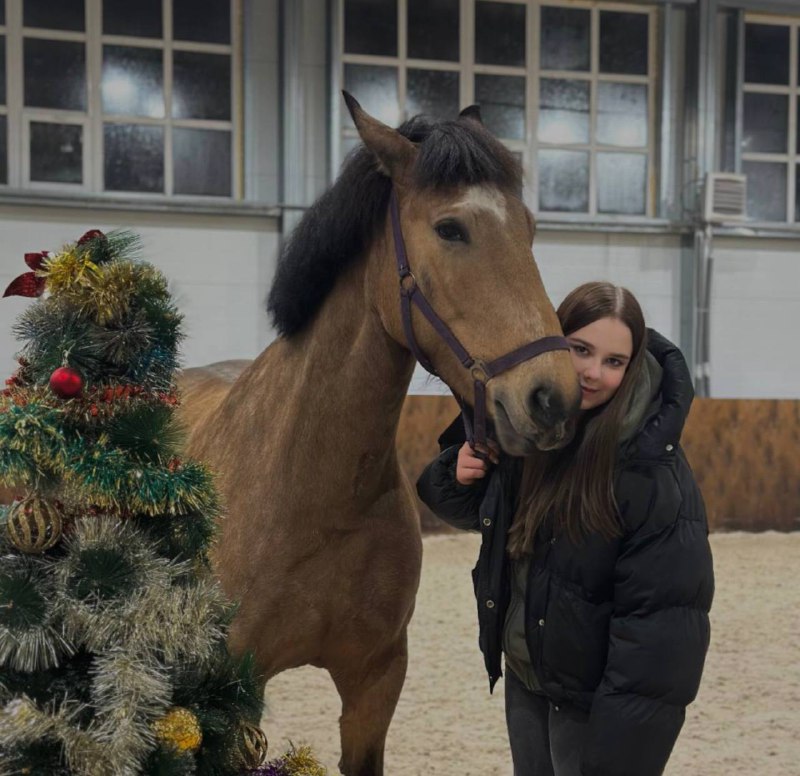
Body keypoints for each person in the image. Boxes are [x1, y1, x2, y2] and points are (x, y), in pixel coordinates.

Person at [417, 281, 714, 776]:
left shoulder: (650, 473)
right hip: (527, 679)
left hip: (593, 705)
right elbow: (485, 517)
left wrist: (620, 752)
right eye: (581, 350)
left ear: (632, 366)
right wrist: (458, 472)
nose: (595, 373)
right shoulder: (537, 428)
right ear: (556, 343)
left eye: (615, 361)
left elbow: (661, 638)